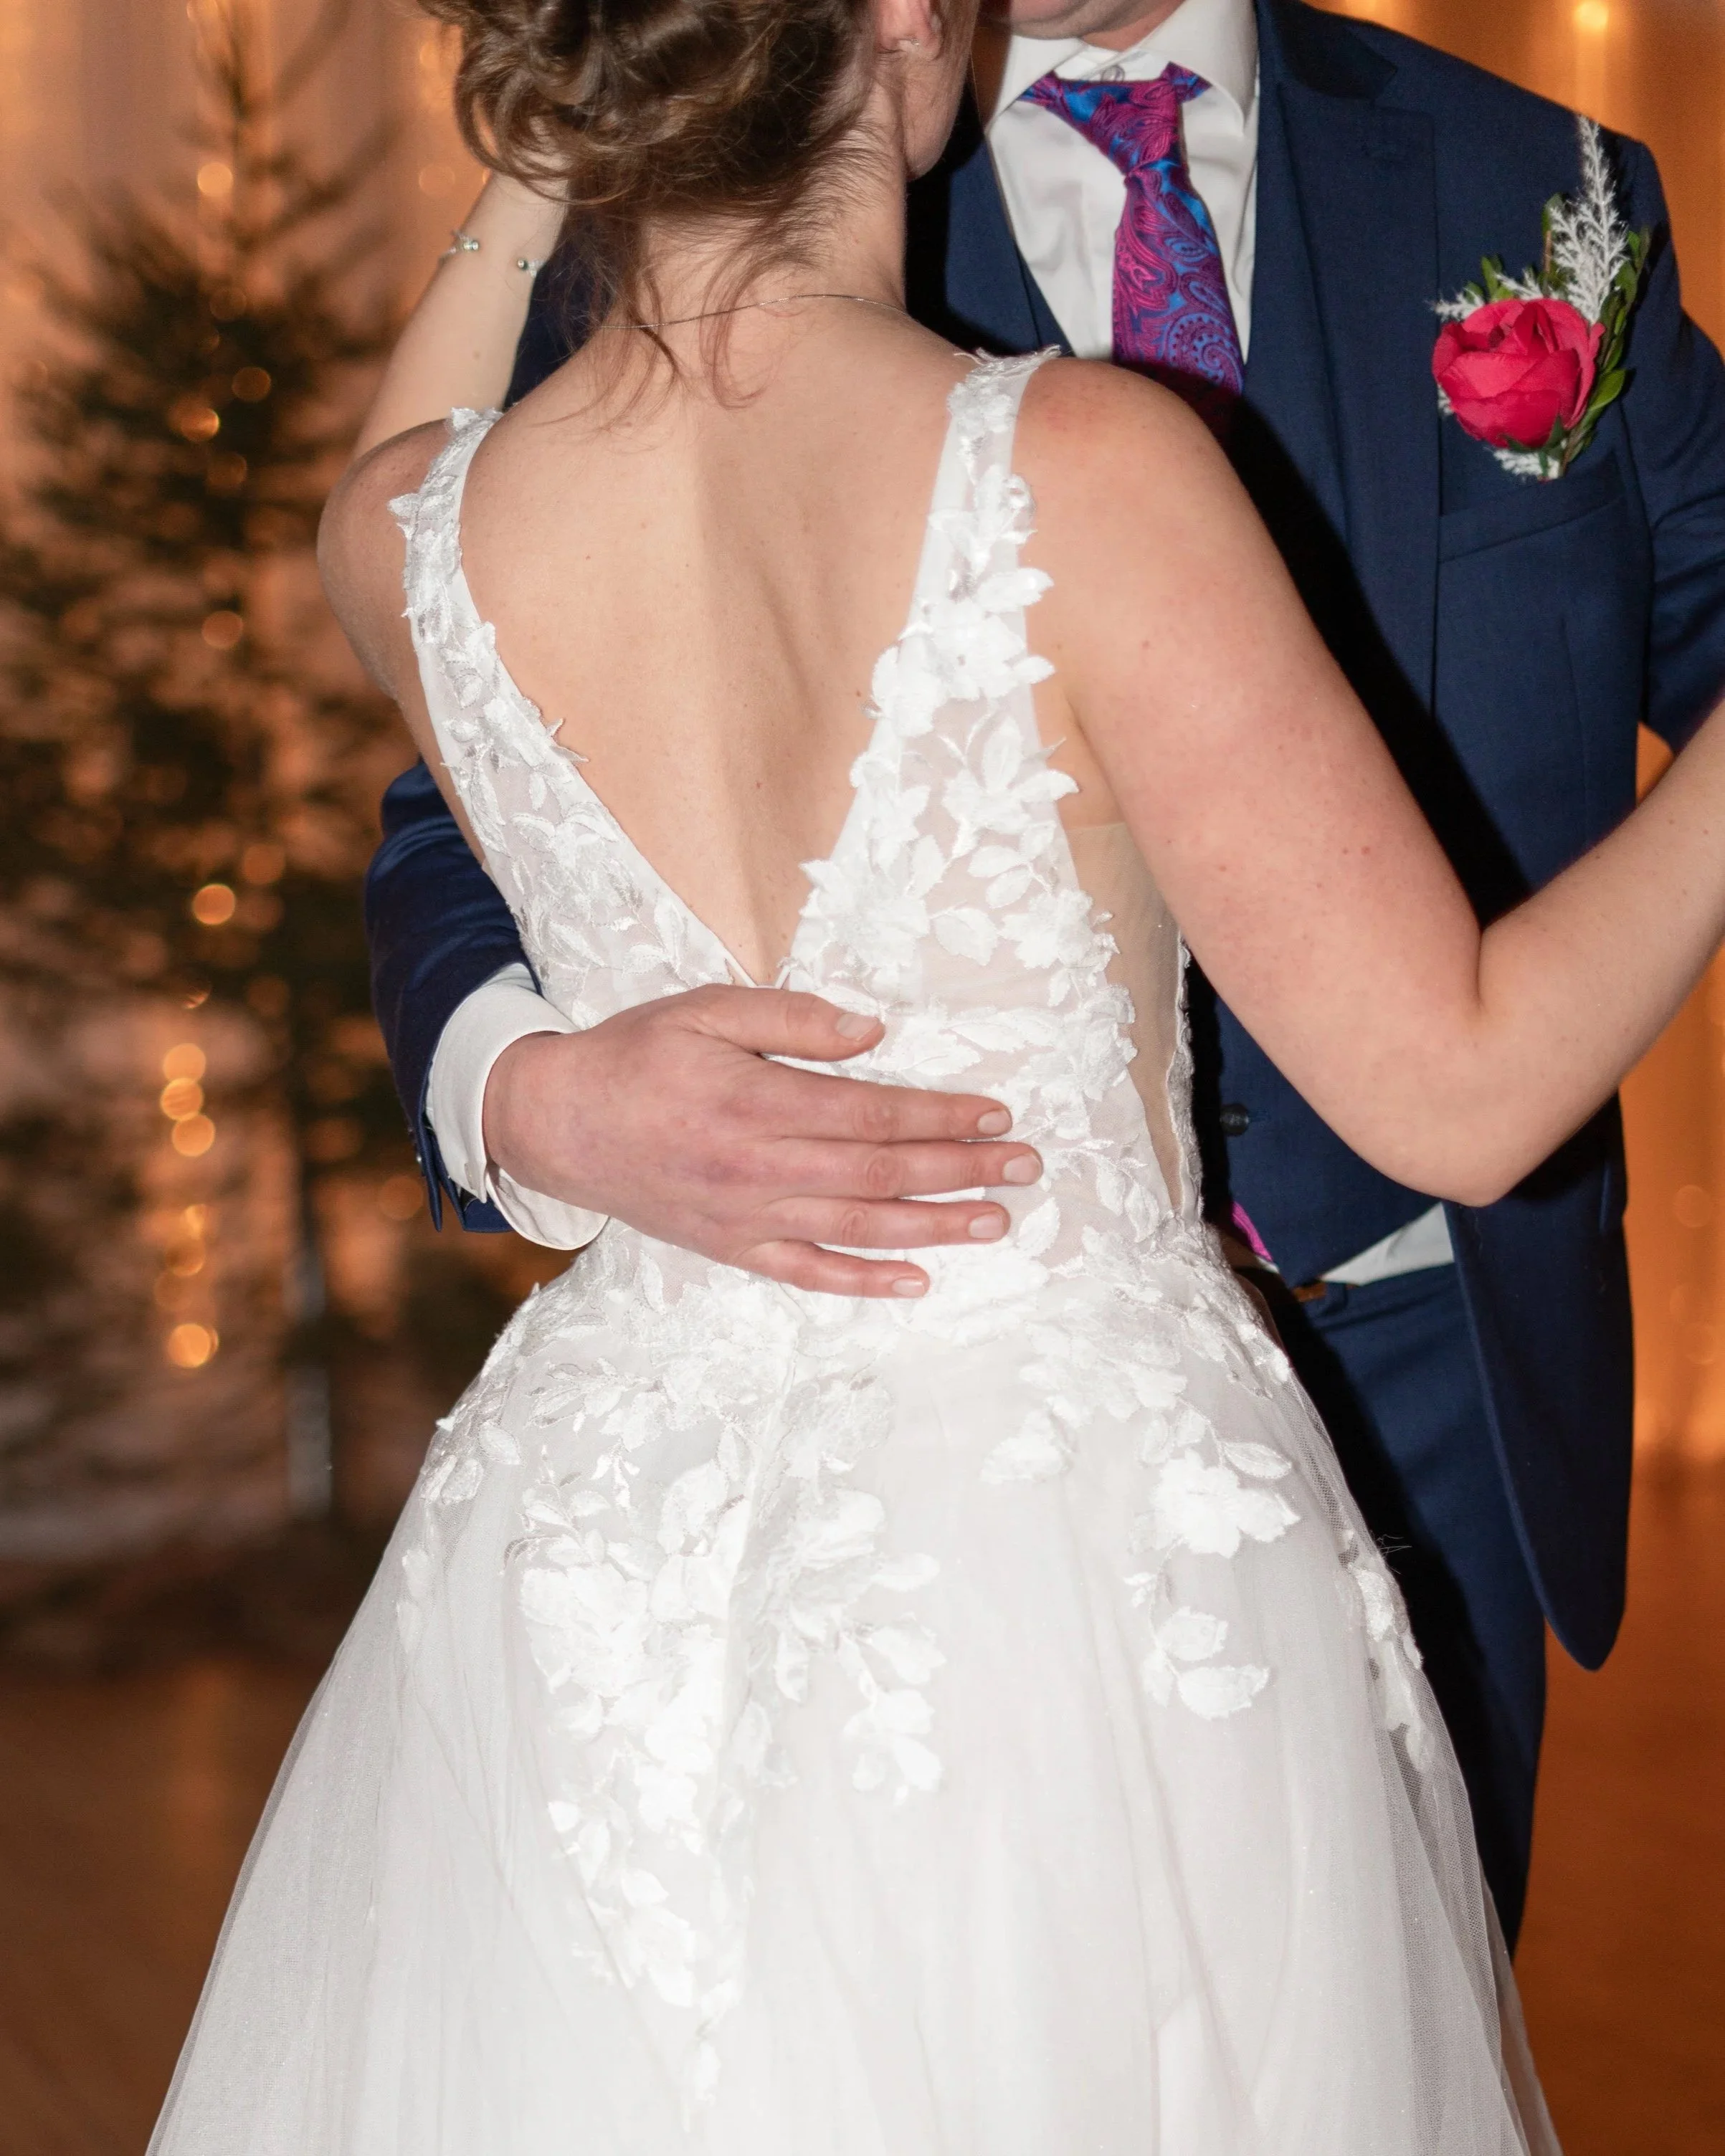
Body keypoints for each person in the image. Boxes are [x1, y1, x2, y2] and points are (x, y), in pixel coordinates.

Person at [366, 0, 1725, 1947]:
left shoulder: (1530, 184)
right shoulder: (746, 165)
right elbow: (469, 771)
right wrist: (525, 1091)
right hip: (866, 1395)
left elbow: (406, 539)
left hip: (1431, 1357)